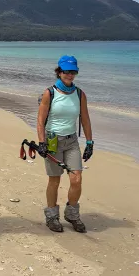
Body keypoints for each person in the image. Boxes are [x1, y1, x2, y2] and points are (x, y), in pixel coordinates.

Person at [36, 55, 93, 233]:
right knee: (54, 180)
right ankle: (52, 216)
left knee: (76, 179)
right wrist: (41, 143)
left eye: (73, 72)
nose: (69, 75)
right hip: (53, 141)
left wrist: (90, 142)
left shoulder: (79, 94)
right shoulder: (49, 93)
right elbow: (40, 120)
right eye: (66, 71)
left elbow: (85, 118)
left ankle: (72, 214)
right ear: (59, 72)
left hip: (72, 141)